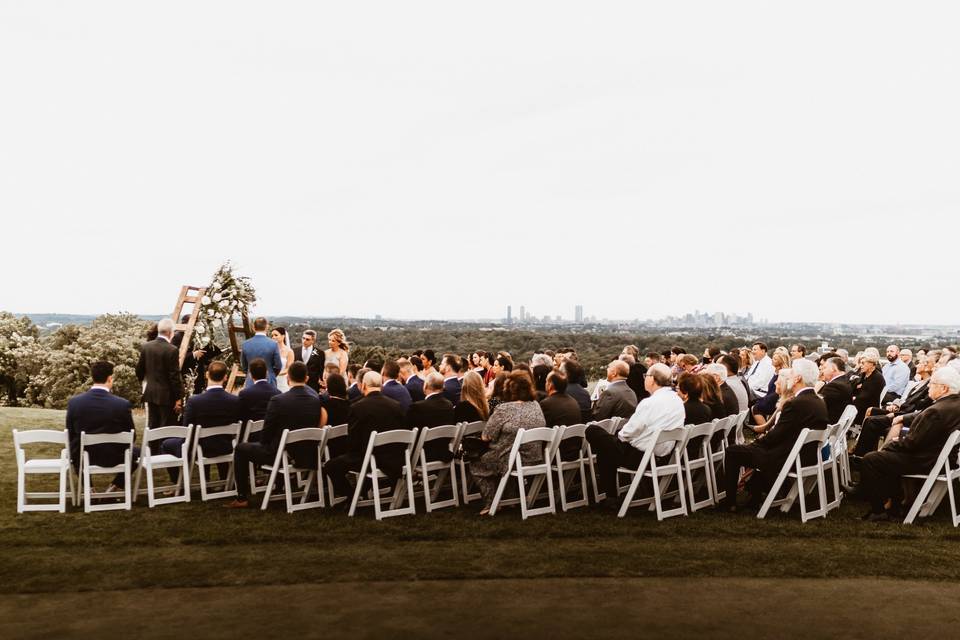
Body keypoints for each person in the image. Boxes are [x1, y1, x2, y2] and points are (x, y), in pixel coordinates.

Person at [719, 360, 828, 511]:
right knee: (747, 450)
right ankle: (754, 495)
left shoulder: (795, 403)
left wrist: (753, 445)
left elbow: (775, 436)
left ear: (797, 379)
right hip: (804, 455)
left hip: (786, 457)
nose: (788, 377)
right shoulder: (818, 401)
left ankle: (729, 502)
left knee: (733, 452)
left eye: (790, 375)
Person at [857, 367, 960, 521]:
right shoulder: (953, 404)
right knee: (886, 456)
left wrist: (893, 443)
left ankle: (879, 511)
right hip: (940, 457)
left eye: (932, 384)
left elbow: (912, 444)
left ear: (944, 388)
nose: (929, 387)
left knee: (871, 459)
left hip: (926, 460)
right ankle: (895, 504)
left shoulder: (937, 410)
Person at [586, 363, 685, 509]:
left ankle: (611, 497)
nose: (644, 379)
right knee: (606, 448)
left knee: (593, 432)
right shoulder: (676, 400)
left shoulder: (650, 402)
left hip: (642, 457)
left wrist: (619, 437)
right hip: (664, 456)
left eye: (646, 376)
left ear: (652, 379)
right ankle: (611, 497)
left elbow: (628, 432)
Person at [226, 362, 322, 508]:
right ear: (306, 379)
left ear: (288, 378)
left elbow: (266, 435)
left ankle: (241, 498)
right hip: (307, 454)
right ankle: (278, 486)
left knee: (240, 449)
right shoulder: (315, 400)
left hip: (281, 454)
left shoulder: (279, 400)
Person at [323, 371, 407, 502]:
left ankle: (353, 496)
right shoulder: (396, 406)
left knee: (331, 466)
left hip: (369, 459)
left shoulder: (357, 407)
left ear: (363, 386)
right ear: (382, 386)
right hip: (394, 459)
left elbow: (353, 442)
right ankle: (361, 491)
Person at [472, 371, 547, 515]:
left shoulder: (503, 409)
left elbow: (486, 436)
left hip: (508, 459)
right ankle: (510, 499)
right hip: (534, 457)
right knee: (506, 454)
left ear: (509, 390)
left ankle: (492, 503)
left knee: (477, 464)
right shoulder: (536, 405)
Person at [66, 361, 137, 492]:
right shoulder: (122, 404)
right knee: (136, 452)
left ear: (93, 377)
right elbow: (131, 436)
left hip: (84, 456)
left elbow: (70, 435)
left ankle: (89, 488)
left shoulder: (74, 403)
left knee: (73, 448)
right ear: (110, 378)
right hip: (115, 456)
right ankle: (116, 485)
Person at [163, 361, 240, 482]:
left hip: (201, 448)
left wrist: (185, 445)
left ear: (207, 374)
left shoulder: (195, 401)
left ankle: (177, 484)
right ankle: (224, 479)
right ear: (225, 377)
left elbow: (187, 429)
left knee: (167, 444)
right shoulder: (235, 400)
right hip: (226, 446)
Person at [852, 355, 937, 458]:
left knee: (871, 420)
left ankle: (863, 454)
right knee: (872, 412)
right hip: (902, 408)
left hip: (905, 413)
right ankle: (864, 451)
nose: (916, 365)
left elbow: (918, 405)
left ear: (927, 367)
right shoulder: (919, 383)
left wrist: (897, 411)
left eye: (919, 363)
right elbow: (908, 399)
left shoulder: (929, 385)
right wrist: (896, 404)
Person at [136, 317, 184, 428]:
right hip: (167, 396)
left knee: (153, 425)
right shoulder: (172, 349)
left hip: (150, 393)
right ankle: (162, 446)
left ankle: (152, 446)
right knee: (165, 427)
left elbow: (139, 370)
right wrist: (178, 398)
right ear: (169, 332)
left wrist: (147, 382)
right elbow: (174, 376)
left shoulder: (146, 346)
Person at [407, 372, 457, 461]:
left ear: (425, 386)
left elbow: (408, 431)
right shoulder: (449, 405)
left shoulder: (418, 407)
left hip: (422, 455)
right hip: (443, 452)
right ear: (442, 387)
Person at [237, 358, 281, 438]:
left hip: (249, 437)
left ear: (250, 375)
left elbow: (241, 417)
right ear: (267, 373)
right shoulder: (277, 393)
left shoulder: (245, 394)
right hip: (270, 437)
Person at [240, 317, 282, 388]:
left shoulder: (245, 344)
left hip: (251, 381)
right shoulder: (273, 344)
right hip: (269, 382)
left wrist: (250, 374)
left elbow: (244, 366)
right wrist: (271, 374)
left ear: (253, 327)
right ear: (267, 327)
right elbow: (278, 365)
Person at [752, 352, 791, 423]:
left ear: (780, 362)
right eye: (773, 358)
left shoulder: (782, 374)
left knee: (755, 408)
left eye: (775, 359)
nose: (772, 360)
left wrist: (764, 399)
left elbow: (779, 392)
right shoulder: (775, 371)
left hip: (775, 399)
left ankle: (764, 430)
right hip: (771, 396)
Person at [853, 351, 885, 424]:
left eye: (863, 363)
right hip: (860, 404)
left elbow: (866, 397)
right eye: (860, 363)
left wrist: (853, 397)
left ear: (871, 364)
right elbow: (855, 388)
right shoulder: (864, 374)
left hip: (867, 408)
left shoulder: (877, 378)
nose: (860, 365)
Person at [818, 356, 852, 425]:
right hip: (836, 422)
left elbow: (815, 406)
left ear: (833, 369)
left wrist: (817, 387)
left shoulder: (833, 386)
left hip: (827, 425)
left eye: (825, 368)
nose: (821, 370)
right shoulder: (844, 381)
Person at [271, 327, 295, 392]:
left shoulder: (289, 351)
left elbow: (288, 369)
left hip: (282, 381)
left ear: (283, 336)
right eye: (272, 335)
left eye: (276, 335)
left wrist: (276, 374)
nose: (273, 337)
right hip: (271, 381)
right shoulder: (270, 350)